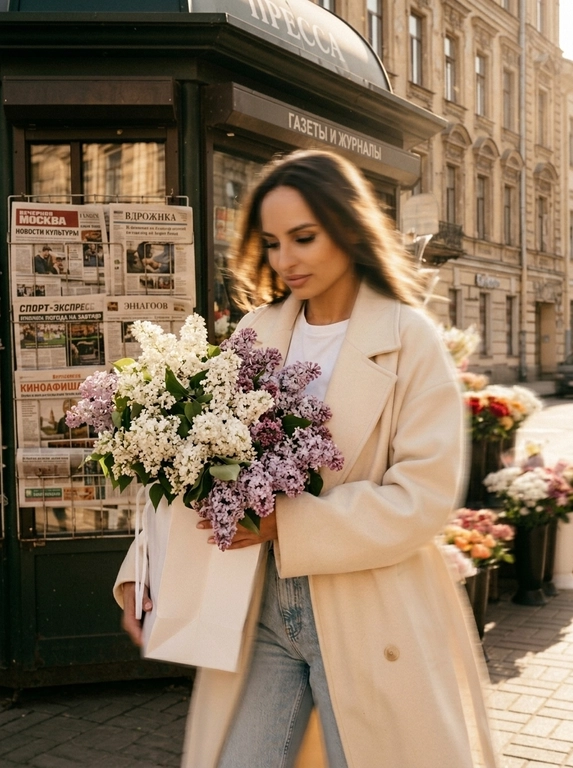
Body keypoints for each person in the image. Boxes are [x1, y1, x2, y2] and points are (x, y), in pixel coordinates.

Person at [114, 149, 498, 767]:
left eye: (304, 237)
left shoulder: (410, 339)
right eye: (271, 242)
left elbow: (422, 498)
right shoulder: (255, 333)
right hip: (258, 608)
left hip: (372, 609)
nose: (286, 259)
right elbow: (198, 459)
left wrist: (284, 523)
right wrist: (144, 566)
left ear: (348, 227)